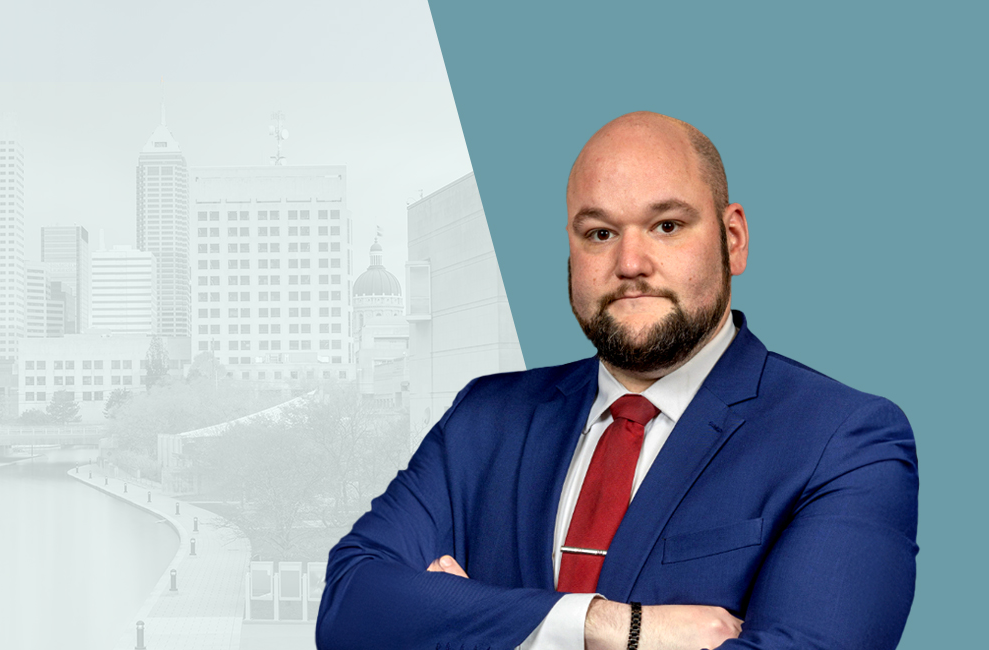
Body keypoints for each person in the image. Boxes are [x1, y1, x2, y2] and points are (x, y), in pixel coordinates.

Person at [315, 112, 918, 650]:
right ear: (571, 252)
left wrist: (467, 623)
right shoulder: (485, 417)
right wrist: (614, 628)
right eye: (599, 233)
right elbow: (349, 609)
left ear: (732, 239)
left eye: (667, 226)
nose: (630, 263)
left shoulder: (844, 441)